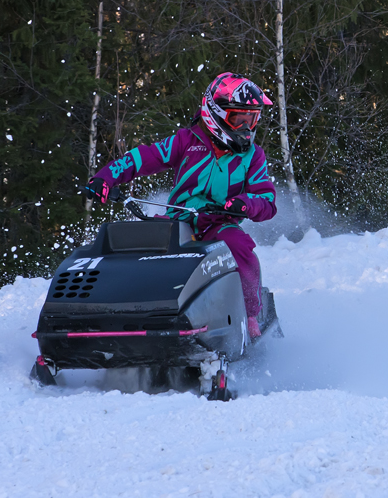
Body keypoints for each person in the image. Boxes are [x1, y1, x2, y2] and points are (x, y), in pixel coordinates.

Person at [84, 72, 278, 338]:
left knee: (239, 246)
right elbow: (144, 157)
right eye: (239, 119)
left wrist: (244, 205)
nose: (246, 128)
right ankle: (121, 310)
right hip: (178, 222)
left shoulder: (253, 156)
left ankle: (250, 314)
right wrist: (106, 177)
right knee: (140, 245)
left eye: (251, 119)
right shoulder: (186, 141)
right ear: (216, 114)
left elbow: (267, 200)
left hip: (219, 224)